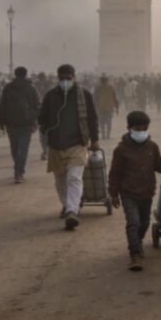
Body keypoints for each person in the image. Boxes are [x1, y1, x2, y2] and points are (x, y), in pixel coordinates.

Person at [108, 111, 161, 271]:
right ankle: (135, 255)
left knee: (144, 223)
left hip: (147, 192)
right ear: (129, 128)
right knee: (133, 222)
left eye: (144, 128)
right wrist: (114, 194)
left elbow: (159, 165)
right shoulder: (121, 150)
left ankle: (137, 241)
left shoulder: (152, 147)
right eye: (138, 128)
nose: (141, 131)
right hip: (128, 193)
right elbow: (114, 173)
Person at [38, 64, 100, 230]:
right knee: (60, 180)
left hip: (77, 143)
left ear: (74, 77)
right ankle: (66, 204)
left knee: (74, 177)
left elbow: (92, 118)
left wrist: (94, 139)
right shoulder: (50, 96)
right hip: (56, 144)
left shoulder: (84, 95)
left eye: (68, 78)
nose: (65, 81)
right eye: (62, 78)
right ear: (58, 78)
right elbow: (42, 117)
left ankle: (72, 211)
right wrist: (45, 133)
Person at [0, 67, 40, 183]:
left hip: (11, 123)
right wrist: (34, 119)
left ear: (15, 74)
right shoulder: (30, 88)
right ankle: (19, 172)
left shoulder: (8, 87)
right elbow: (37, 106)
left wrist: (1, 121)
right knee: (23, 149)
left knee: (14, 147)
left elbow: (2, 105)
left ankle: (17, 168)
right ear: (26, 74)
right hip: (26, 124)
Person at [94, 75, 119, 140]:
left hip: (101, 108)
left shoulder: (98, 88)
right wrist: (117, 108)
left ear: (101, 81)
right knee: (108, 122)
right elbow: (115, 98)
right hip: (109, 108)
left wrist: (95, 108)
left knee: (102, 122)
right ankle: (108, 135)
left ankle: (103, 135)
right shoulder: (111, 88)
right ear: (107, 81)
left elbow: (95, 99)